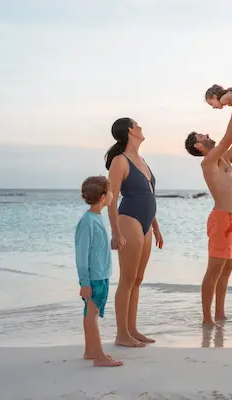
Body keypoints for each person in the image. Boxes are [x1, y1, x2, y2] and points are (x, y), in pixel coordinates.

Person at [184, 108, 232, 325]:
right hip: (221, 219)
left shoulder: (226, 159)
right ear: (198, 145)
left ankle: (220, 313)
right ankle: (206, 317)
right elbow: (229, 136)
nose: (206, 135)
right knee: (214, 270)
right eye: (202, 136)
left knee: (227, 270)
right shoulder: (208, 162)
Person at [105, 117, 164, 348]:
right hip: (128, 219)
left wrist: (156, 228)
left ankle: (132, 329)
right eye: (137, 124)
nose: (141, 127)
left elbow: (148, 195)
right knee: (127, 280)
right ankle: (121, 335)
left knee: (138, 280)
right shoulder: (120, 161)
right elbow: (112, 199)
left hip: (147, 223)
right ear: (130, 130)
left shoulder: (142, 160)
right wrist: (115, 232)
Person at [75, 175, 123, 367]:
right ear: (103, 196)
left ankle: (90, 351)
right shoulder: (87, 221)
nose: (113, 195)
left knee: (91, 312)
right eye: (111, 191)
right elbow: (81, 254)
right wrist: (84, 283)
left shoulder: (97, 218)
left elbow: (96, 247)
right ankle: (99, 356)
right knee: (92, 314)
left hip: (102, 274)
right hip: (93, 278)